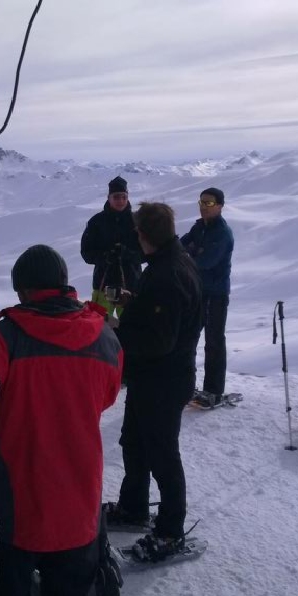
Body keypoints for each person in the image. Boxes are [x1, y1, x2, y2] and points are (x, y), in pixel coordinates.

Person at [0, 244, 123, 596]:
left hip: (20, 501)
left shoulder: (6, 334)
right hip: (79, 499)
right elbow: (107, 397)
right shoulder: (102, 337)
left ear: (22, 289)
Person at [106, 203, 202, 562]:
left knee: (162, 454)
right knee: (134, 442)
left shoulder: (168, 274)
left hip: (164, 380)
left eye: (137, 232)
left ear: (145, 235)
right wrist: (136, 302)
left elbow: (159, 341)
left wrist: (117, 332)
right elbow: (167, 321)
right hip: (154, 379)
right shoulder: (169, 265)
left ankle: (170, 532)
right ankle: (133, 508)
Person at [180, 187, 234, 407]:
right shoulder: (199, 227)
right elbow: (181, 247)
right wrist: (192, 250)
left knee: (213, 341)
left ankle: (213, 391)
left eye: (209, 203)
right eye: (201, 202)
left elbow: (205, 262)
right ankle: (186, 385)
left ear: (220, 206)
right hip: (197, 291)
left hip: (215, 294)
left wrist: (192, 252)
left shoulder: (222, 233)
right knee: (188, 337)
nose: (203, 206)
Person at [80, 176, 143, 316]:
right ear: (108, 198)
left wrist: (128, 254)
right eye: (116, 197)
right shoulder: (96, 222)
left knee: (130, 330)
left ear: (128, 197)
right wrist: (104, 257)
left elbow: (147, 252)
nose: (120, 201)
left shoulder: (137, 222)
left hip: (131, 286)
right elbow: (86, 253)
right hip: (103, 286)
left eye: (123, 197)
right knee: (99, 327)